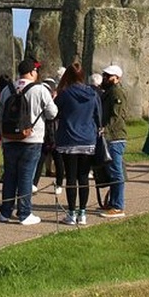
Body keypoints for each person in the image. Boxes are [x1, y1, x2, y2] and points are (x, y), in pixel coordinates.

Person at [0, 59, 58, 225]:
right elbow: (52, 113)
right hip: (31, 138)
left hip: (9, 139)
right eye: (36, 71)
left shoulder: (7, 90)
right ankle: (24, 213)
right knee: (25, 176)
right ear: (31, 72)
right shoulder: (40, 89)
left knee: (10, 176)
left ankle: (5, 211)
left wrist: (4, 133)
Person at [53, 63, 101, 225]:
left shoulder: (65, 94)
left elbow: (54, 112)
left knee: (71, 177)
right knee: (84, 177)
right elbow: (98, 116)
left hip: (68, 138)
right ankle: (83, 213)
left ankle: (71, 214)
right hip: (88, 138)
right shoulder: (93, 94)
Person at [100, 65, 128, 218]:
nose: (105, 78)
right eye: (105, 75)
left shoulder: (116, 92)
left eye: (109, 76)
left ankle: (118, 206)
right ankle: (113, 202)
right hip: (112, 136)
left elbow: (115, 115)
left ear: (117, 78)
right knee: (112, 171)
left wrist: (105, 129)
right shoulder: (109, 92)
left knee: (116, 172)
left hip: (115, 137)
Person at [33, 77, 64, 195]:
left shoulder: (59, 101)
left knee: (58, 161)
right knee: (39, 161)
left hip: (56, 135)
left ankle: (59, 183)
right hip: (44, 136)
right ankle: (34, 184)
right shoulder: (41, 100)